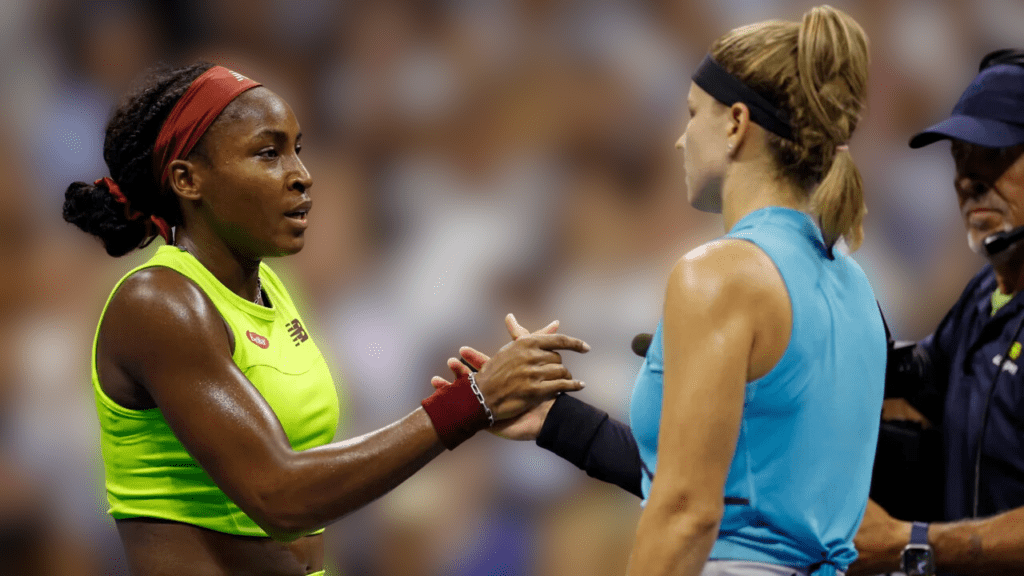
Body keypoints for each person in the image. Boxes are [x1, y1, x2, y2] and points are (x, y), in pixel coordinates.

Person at [61, 62, 589, 576]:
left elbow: (322, 467)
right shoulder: (160, 302)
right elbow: (280, 494)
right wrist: (468, 403)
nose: (301, 176)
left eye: (298, 150)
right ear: (187, 180)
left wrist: (475, 403)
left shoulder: (273, 290)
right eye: (268, 153)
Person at [434, 6, 886, 576]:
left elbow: (687, 513)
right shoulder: (853, 281)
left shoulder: (719, 274)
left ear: (736, 124)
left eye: (693, 113)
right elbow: (751, 482)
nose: (679, 141)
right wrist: (555, 420)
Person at [849, 49, 1024, 576]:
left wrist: (913, 541)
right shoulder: (983, 296)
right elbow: (925, 376)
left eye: (992, 154)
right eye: (959, 157)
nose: (967, 179)